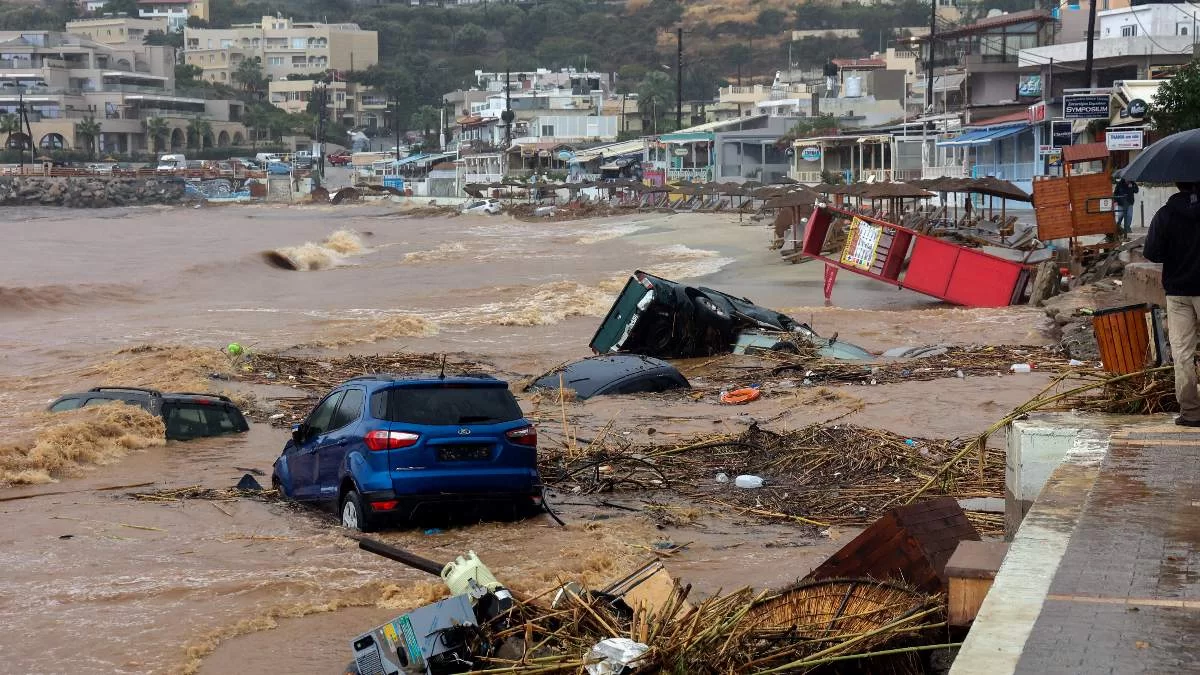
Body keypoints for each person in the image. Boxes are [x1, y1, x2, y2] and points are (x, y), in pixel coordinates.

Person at [1144, 183, 1200, 426]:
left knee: (1183, 354)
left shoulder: (1165, 214)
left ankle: (1191, 413)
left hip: (1177, 293)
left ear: (1177, 183)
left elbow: (1152, 253)